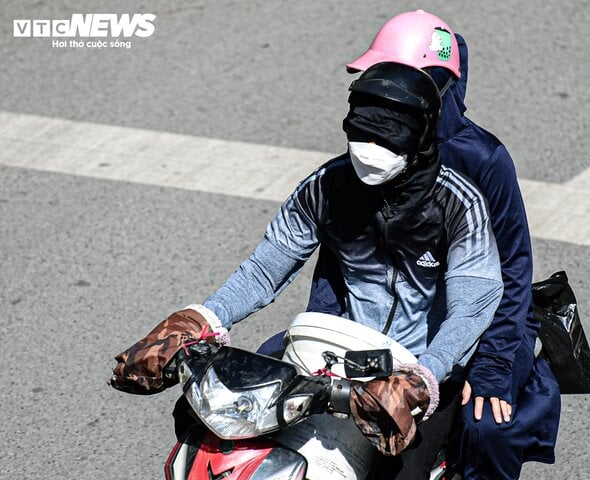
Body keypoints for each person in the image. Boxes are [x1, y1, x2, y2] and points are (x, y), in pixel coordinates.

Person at [111, 61, 504, 479]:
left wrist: (423, 377)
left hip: (413, 374)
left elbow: (472, 307)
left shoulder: (459, 205)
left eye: (385, 136)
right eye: (361, 133)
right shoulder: (326, 186)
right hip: (326, 350)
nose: (368, 147)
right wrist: (200, 319)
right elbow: (265, 269)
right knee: (205, 419)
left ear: (422, 137)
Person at [302, 10, 562, 480]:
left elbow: (511, 274)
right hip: (380, 324)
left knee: (486, 427)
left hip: (481, 325)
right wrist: (322, 346)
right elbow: (339, 258)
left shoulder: (483, 161)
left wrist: (492, 368)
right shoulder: (374, 145)